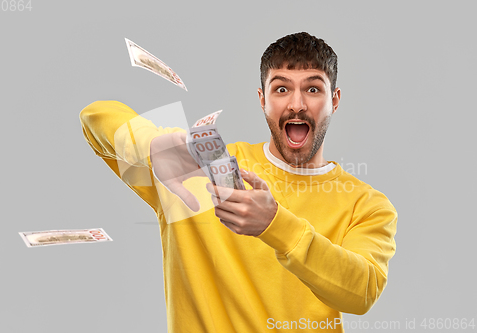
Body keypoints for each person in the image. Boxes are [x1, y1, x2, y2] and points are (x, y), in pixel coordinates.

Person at [79, 32, 397, 332]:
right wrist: (150, 145)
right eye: (281, 89)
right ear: (262, 98)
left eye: (313, 89)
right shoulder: (194, 168)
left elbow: (361, 291)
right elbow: (95, 117)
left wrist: (275, 224)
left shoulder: (365, 204)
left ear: (335, 100)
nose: (297, 104)